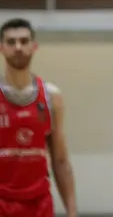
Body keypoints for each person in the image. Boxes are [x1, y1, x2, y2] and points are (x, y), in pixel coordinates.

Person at [0, 18, 78, 217]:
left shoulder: (52, 96)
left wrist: (72, 212)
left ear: (34, 46)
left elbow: (60, 161)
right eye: (11, 42)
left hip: (39, 203)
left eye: (24, 41)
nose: (18, 47)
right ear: (1, 47)